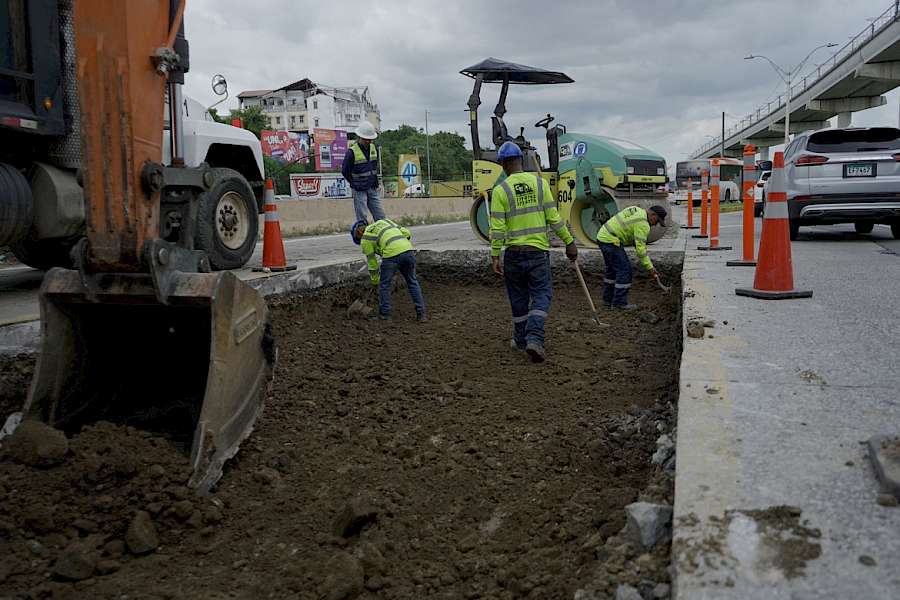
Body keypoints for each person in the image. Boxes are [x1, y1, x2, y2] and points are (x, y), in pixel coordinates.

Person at [490, 141, 577, 363]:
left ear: (502, 165)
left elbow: (497, 227)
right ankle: (534, 338)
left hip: (513, 254)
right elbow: (554, 218)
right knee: (542, 295)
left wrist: (495, 255)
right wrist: (569, 242)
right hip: (537, 253)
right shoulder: (540, 185)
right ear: (522, 161)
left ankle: (520, 340)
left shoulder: (501, 190)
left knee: (518, 298)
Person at [351, 218, 426, 322]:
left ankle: (385, 315)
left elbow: (372, 264)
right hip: (408, 251)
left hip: (391, 256)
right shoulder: (384, 221)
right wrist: (400, 246)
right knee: (412, 282)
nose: (360, 240)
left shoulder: (365, 238)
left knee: (384, 285)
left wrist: (375, 280)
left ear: (359, 232)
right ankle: (421, 314)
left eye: (358, 238)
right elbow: (407, 233)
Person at [596, 205, 667, 310]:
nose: (655, 224)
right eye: (657, 221)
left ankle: (608, 300)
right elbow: (641, 251)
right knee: (624, 270)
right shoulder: (643, 224)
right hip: (611, 240)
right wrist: (650, 267)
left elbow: (627, 226)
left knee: (611, 270)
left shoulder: (636, 209)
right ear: (652, 214)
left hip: (602, 236)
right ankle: (619, 304)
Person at [342, 121, 385, 223]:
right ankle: (362, 237)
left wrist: (376, 183)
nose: (368, 141)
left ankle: (381, 236)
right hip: (359, 188)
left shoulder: (373, 149)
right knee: (362, 217)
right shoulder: (351, 152)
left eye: (370, 139)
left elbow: (374, 168)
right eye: (366, 139)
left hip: (372, 187)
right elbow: (345, 171)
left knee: (381, 216)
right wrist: (354, 183)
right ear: (359, 137)